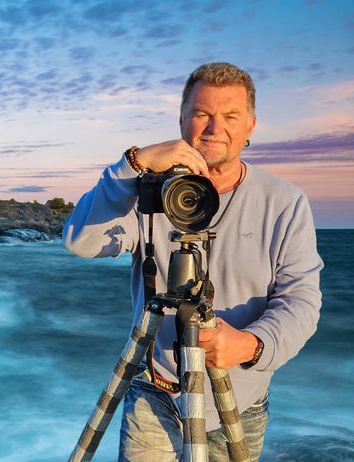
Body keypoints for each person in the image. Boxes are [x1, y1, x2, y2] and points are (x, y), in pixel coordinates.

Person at [63, 62, 322, 461]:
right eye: (202, 114)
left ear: (251, 125)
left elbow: (301, 300)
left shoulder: (284, 203)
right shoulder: (151, 194)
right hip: (155, 390)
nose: (215, 128)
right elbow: (81, 241)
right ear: (182, 121)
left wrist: (251, 344)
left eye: (230, 116)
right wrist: (133, 163)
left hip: (238, 398)